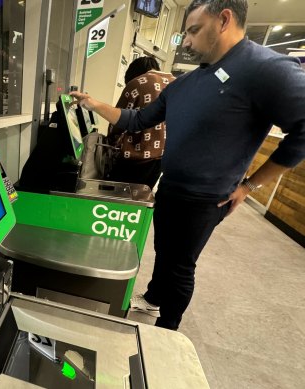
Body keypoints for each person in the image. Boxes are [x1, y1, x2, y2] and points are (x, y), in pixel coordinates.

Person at [70, 0, 305, 331]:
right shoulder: (185, 83)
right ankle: (153, 298)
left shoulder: (267, 69)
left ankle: (167, 331)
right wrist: (94, 104)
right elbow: (136, 120)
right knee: (163, 251)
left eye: (194, 30)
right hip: (170, 186)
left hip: (206, 198)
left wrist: (250, 186)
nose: (187, 42)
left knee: (181, 266)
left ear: (224, 20)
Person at [107, 56, 175, 188]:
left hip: (134, 158)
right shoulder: (176, 83)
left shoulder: (137, 83)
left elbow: (118, 120)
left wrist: (111, 140)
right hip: (161, 158)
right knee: (140, 200)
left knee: (117, 199)